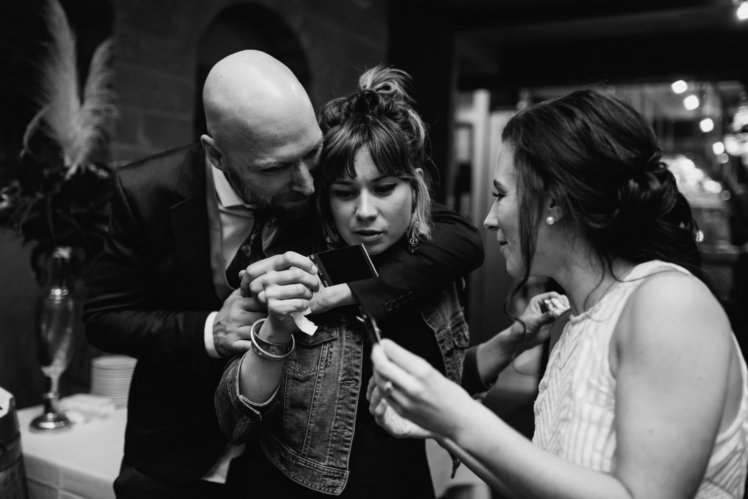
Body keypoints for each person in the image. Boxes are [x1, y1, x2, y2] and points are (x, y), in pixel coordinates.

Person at [82, 51, 483, 498]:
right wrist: (214, 330)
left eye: (310, 154)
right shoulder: (143, 192)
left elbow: (455, 235)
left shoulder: (328, 183)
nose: (309, 184)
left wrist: (339, 293)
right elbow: (103, 316)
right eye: (275, 168)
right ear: (218, 155)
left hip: (285, 459)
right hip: (176, 450)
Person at [369, 89, 748, 498]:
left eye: (500, 195)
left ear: (554, 200)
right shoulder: (572, 320)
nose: (489, 219)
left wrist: (460, 417)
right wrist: (441, 425)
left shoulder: (668, 304)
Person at [215, 66, 476, 498]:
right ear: (325, 200)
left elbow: (448, 379)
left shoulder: (437, 269)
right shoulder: (290, 269)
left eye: (385, 187)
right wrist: (275, 332)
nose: (366, 211)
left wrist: (510, 343)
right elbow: (235, 421)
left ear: (416, 187)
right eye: (344, 192)